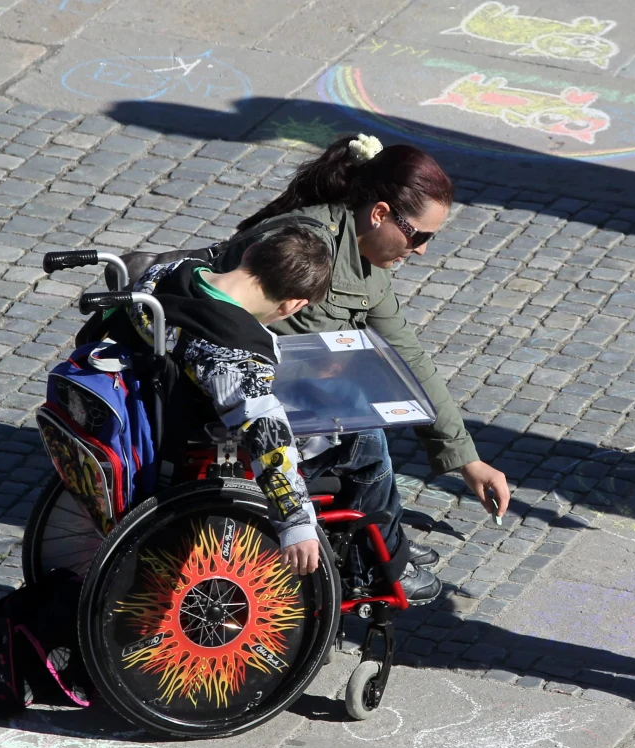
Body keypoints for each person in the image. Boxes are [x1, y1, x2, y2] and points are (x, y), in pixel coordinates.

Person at [215, 133, 510, 604]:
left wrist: (466, 457)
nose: (423, 251)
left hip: (272, 390)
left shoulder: (362, 260)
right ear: (379, 214)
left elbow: (407, 355)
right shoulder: (306, 254)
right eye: (419, 236)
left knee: (366, 420)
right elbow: (285, 360)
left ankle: (382, 541)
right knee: (365, 441)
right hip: (236, 405)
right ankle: (380, 563)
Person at [100, 225, 336, 581]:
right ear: (292, 306)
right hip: (203, 443)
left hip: (142, 409)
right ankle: (385, 566)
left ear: (248, 254)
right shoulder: (235, 353)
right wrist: (296, 523)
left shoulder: (168, 274)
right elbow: (267, 436)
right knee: (365, 446)